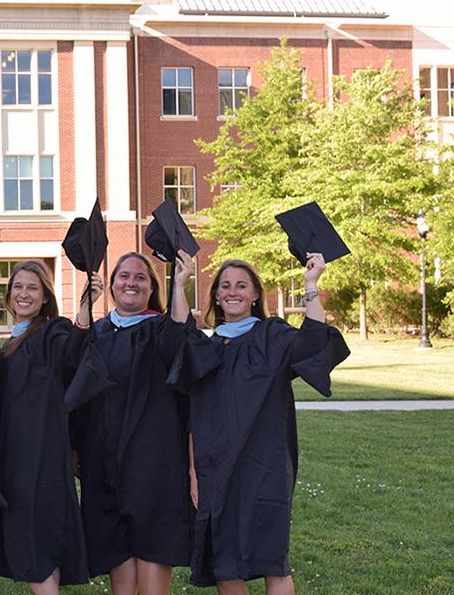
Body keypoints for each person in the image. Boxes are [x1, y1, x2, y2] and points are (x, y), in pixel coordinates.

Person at [168, 254, 350, 594]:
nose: (232, 292)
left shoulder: (272, 337)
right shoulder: (207, 348)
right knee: (224, 564)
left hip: (263, 465)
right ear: (216, 296)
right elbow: (180, 344)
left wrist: (311, 287)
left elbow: (313, 341)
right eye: (225, 286)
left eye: (241, 285)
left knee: (271, 559)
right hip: (214, 468)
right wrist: (179, 284)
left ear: (255, 295)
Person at [63, 251, 199, 595]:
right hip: (103, 465)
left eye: (141, 277)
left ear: (152, 287)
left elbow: (184, 348)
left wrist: (181, 286)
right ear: (111, 285)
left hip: (154, 465)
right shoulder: (99, 332)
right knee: (117, 558)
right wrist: (85, 304)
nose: (131, 283)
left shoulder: (160, 329)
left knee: (152, 552)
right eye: (124, 276)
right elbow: (70, 369)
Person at [0, 260, 91, 595]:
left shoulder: (52, 332)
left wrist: (83, 311)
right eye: (18, 287)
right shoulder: (13, 339)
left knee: (33, 548)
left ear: (45, 297)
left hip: (37, 461)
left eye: (32, 288)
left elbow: (72, 355)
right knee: (39, 547)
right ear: (8, 295)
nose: (23, 294)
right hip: (16, 461)